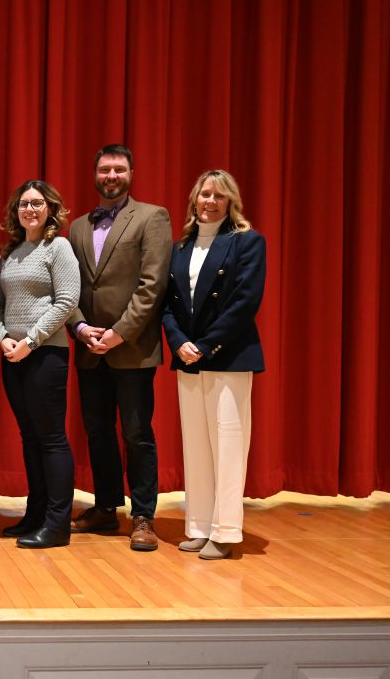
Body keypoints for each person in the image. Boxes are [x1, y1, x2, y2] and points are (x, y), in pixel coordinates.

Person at [66, 144, 172, 551]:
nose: (112, 176)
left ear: (131, 173)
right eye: (105, 169)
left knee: (136, 433)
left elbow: (152, 286)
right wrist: (80, 328)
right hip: (90, 348)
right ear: (95, 175)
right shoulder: (77, 226)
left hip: (132, 348)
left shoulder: (151, 217)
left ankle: (143, 515)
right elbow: (70, 285)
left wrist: (118, 333)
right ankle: (106, 508)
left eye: (119, 169)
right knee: (97, 432)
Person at [162, 169, 266, 560]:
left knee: (227, 443)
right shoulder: (180, 247)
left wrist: (204, 345)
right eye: (204, 194)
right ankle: (200, 525)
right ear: (194, 199)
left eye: (219, 196)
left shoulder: (247, 243)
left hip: (228, 356)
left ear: (231, 202)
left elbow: (245, 303)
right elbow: (168, 304)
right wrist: (179, 343)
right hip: (188, 357)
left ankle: (225, 531)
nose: (210, 201)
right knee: (197, 445)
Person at [0, 181, 80, 548]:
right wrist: (2, 337)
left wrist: (30, 340)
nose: (30, 210)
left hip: (46, 355)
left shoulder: (58, 247)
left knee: (52, 439)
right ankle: (36, 514)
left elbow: (68, 301)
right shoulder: (10, 252)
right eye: (24, 204)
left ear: (50, 209)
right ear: (16, 210)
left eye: (37, 204)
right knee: (30, 438)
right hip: (14, 356)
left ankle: (57, 524)